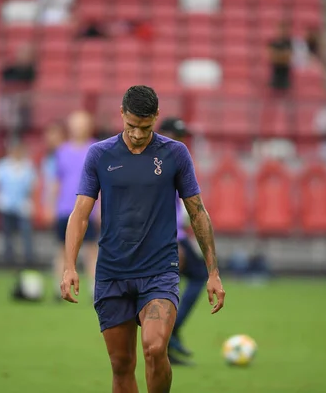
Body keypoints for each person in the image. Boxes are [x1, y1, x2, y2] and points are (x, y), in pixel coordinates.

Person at [60, 85, 225, 393]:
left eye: (145, 127)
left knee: (154, 347)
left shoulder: (175, 154)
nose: (137, 134)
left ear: (156, 118)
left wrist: (213, 271)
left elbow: (198, 213)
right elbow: (80, 214)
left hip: (158, 272)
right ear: (121, 114)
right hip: (112, 274)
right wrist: (70, 266)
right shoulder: (100, 154)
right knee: (122, 364)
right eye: (131, 126)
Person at [157, 117, 208, 366]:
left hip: (177, 233)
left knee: (196, 278)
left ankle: (170, 335)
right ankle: (167, 338)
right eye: (177, 135)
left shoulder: (174, 159)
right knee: (167, 290)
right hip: (167, 237)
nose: (181, 140)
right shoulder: (161, 161)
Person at [50, 111, 98, 300]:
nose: (78, 128)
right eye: (75, 124)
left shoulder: (96, 148)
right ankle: (58, 287)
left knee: (91, 249)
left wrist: (101, 207)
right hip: (65, 208)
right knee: (62, 248)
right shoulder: (62, 151)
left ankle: (94, 288)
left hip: (88, 209)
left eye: (82, 124)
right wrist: (51, 205)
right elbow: (56, 181)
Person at [0, 139, 38, 265]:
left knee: (26, 232)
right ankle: (8, 258)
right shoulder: (2, 166)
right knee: (7, 233)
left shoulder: (28, 167)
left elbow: (33, 186)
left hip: (22, 206)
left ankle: (28, 258)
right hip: (6, 205)